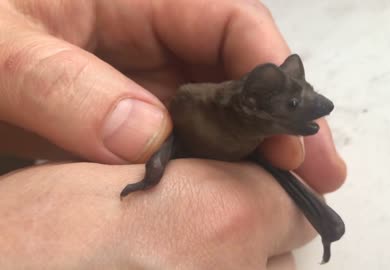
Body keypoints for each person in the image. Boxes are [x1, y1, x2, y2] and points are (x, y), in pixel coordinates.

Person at [0, 0, 347, 269]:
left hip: (236, 152)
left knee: (278, 169)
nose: (319, 107)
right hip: (178, 141)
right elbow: (169, 133)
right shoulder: (194, 108)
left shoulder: (252, 130)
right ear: (252, 102)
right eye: (293, 103)